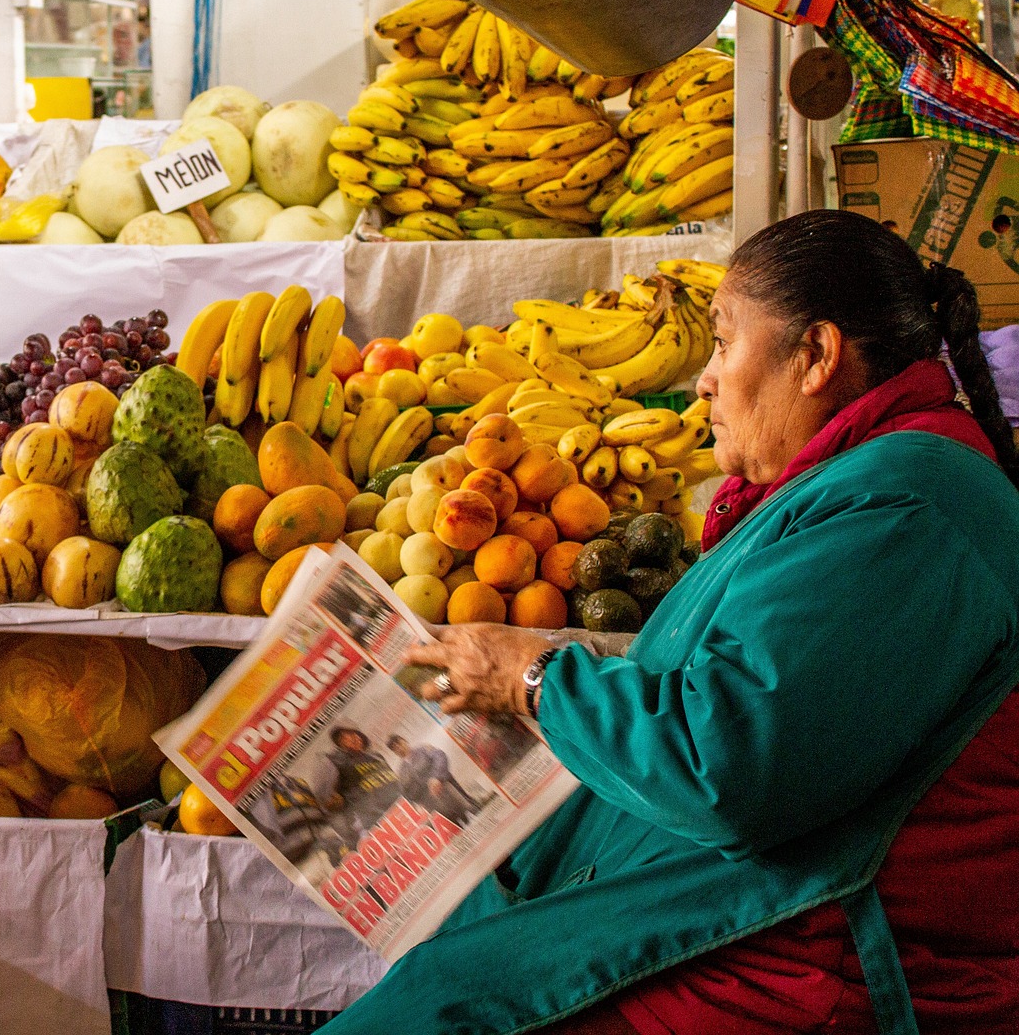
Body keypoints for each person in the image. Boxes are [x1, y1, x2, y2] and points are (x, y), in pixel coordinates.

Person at [323, 210, 1019, 1035]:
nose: (704, 379)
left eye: (725, 342)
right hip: (752, 914)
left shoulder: (904, 509)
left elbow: (730, 760)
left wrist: (532, 679)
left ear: (817, 357)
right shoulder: (876, 480)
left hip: (809, 954)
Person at [386, 734, 479, 826]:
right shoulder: (402, 772)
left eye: (398, 742)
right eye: (394, 747)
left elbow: (440, 757)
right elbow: (407, 794)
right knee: (455, 829)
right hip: (435, 808)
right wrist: (418, 806)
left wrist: (437, 778)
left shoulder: (423, 750)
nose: (398, 747)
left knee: (472, 816)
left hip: (451, 793)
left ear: (404, 740)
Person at [322, 727, 402, 834]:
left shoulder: (377, 756)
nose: (354, 737)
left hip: (401, 807)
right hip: (377, 821)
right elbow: (333, 801)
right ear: (341, 744)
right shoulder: (339, 765)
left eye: (355, 734)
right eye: (347, 736)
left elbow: (395, 781)